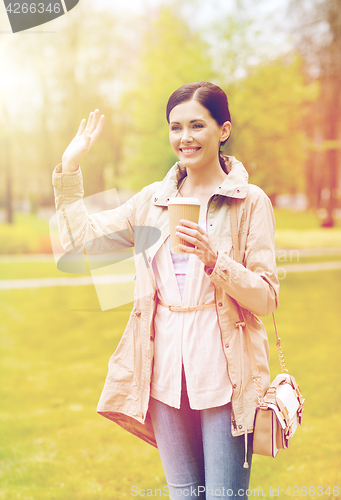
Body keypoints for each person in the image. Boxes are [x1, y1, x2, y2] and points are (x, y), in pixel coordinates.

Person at [53, 81, 279, 500]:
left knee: (225, 496)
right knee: (184, 496)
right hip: (164, 378)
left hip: (224, 375)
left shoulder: (249, 202)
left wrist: (216, 260)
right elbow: (82, 239)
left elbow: (266, 298)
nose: (185, 137)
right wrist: (69, 170)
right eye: (176, 127)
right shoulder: (150, 202)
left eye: (197, 125)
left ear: (223, 130)